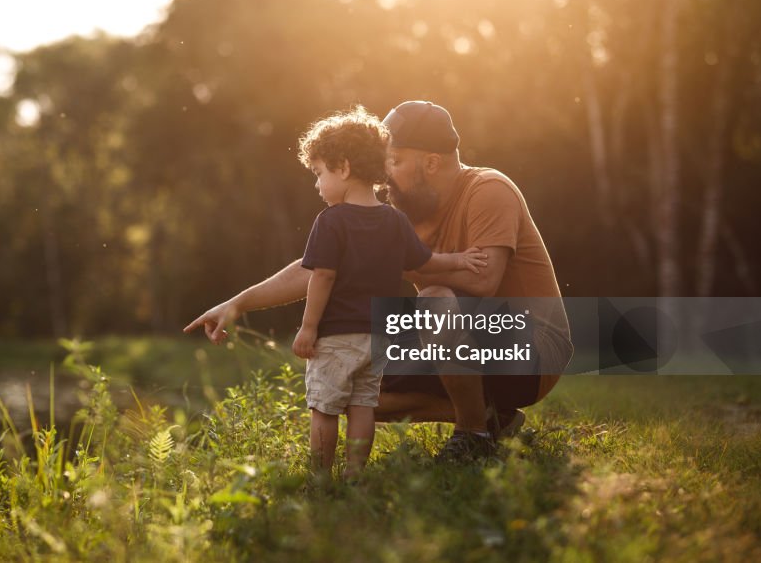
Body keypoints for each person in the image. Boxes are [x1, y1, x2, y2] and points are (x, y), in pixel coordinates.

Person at [185, 100, 573, 463]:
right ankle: (493, 418)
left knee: (435, 298)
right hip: (459, 341)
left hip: (533, 351)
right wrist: (237, 303)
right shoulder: (403, 214)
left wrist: (398, 265)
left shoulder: (488, 190)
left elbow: (486, 280)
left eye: (396, 162)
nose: (385, 175)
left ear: (432, 163)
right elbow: (318, 266)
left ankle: (474, 436)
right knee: (356, 380)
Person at [290, 108, 487, 477]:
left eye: (319, 174)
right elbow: (426, 261)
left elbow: (323, 277)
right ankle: (354, 475)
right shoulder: (394, 220)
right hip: (375, 336)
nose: (318, 185)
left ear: (344, 168)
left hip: (336, 336)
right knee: (363, 406)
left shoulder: (330, 221)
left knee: (325, 408)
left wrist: (308, 327)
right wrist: (461, 260)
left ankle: (319, 479)